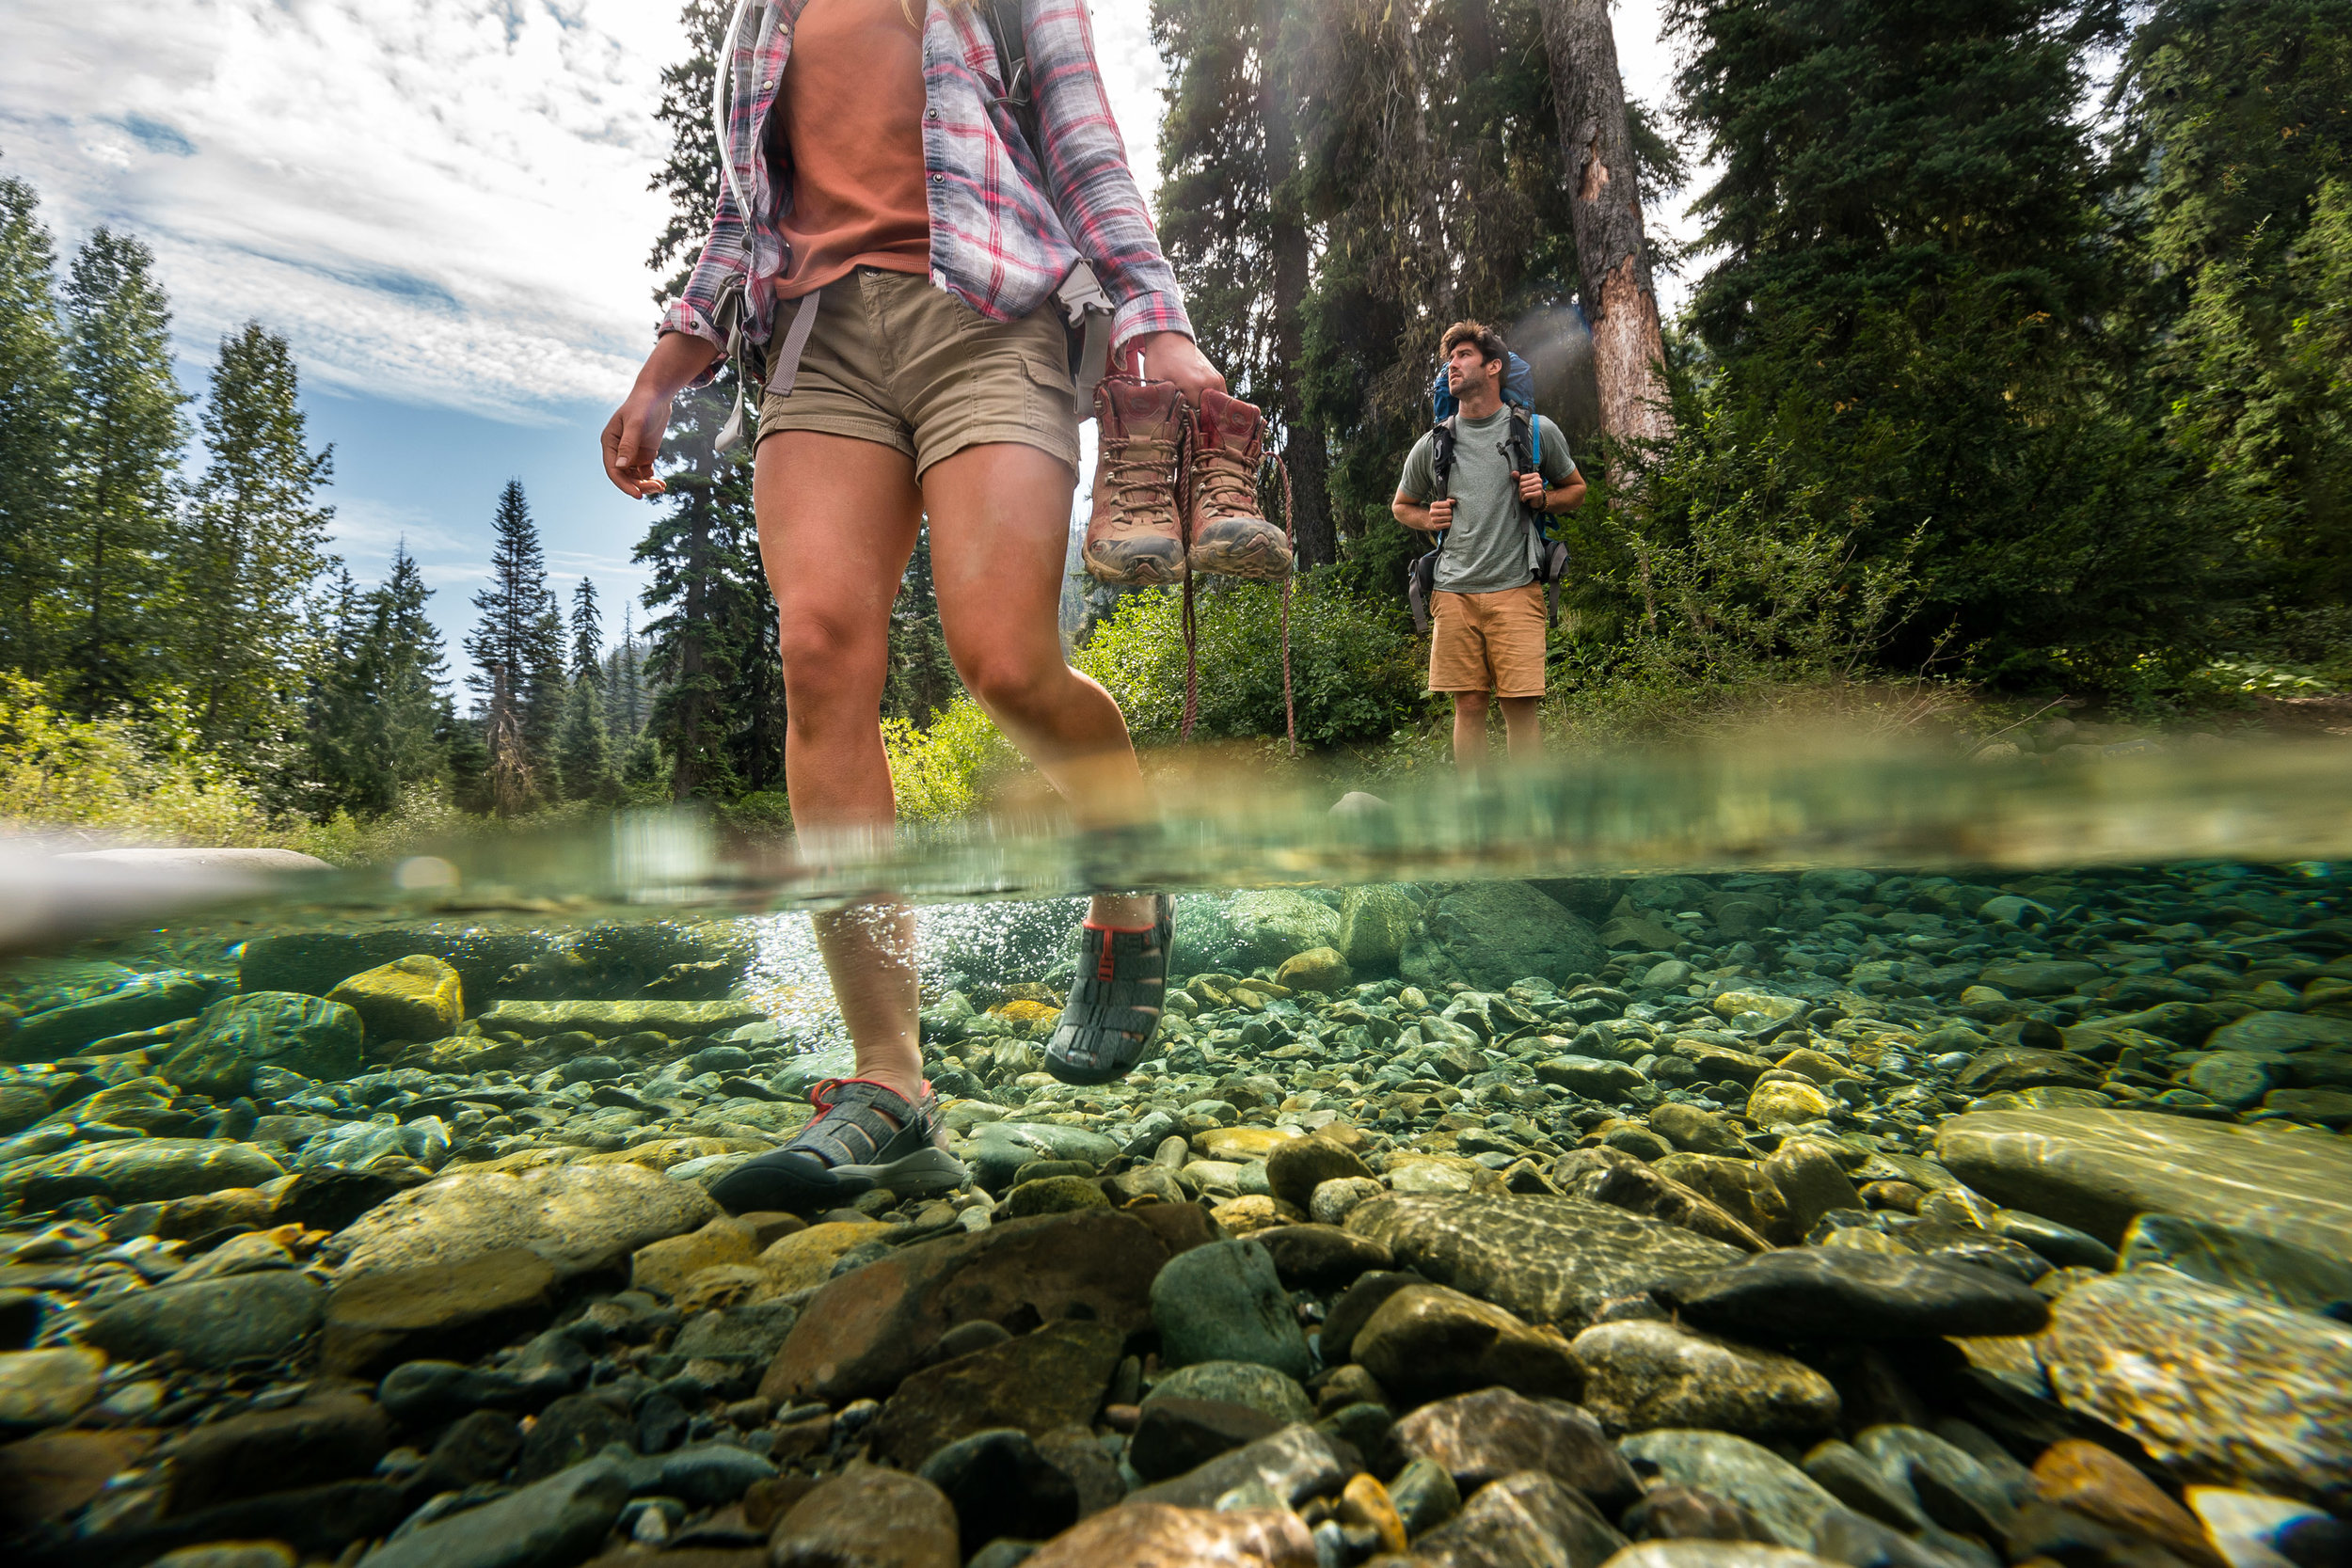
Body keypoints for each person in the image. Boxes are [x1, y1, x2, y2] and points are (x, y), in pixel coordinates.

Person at [598, 0, 1275, 1212]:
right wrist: (665, 367)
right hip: (820, 339)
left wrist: (1155, 319)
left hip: (988, 319)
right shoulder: (767, 11)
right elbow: (743, 211)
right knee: (817, 653)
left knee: (1004, 657)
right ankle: (889, 1084)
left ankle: (1131, 875)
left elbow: (1082, 140)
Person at [1391, 322, 1585, 771]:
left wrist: (1543, 497)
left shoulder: (1536, 432)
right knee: (1470, 707)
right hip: (1453, 591)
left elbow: (1576, 490)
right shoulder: (1435, 442)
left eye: (1462, 355)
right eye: (1449, 358)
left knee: (1520, 709)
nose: (1451, 365)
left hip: (1518, 586)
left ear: (1493, 366)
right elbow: (1402, 506)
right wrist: (1428, 517)